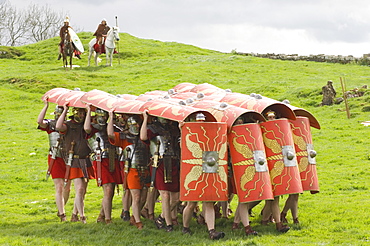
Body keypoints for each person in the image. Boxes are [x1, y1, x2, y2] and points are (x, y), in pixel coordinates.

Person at [180, 113, 226, 240]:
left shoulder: (210, 133)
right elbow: (184, 149)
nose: (201, 122)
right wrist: (182, 131)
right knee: (191, 203)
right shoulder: (189, 132)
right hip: (195, 169)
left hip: (209, 170)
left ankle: (212, 231)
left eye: (203, 120)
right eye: (199, 120)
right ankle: (185, 227)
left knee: (209, 202)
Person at [108, 112, 150, 230]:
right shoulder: (124, 136)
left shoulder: (145, 137)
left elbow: (144, 137)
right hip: (132, 170)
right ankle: (138, 221)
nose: (136, 127)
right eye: (134, 124)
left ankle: (134, 216)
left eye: (138, 125)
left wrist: (145, 118)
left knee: (143, 197)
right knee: (136, 196)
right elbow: (110, 134)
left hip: (145, 169)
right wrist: (111, 117)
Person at [140, 110, 181, 232]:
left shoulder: (173, 128)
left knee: (177, 197)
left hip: (173, 162)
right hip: (160, 163)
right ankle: (168, 224)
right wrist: (145, 119)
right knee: (165, 194)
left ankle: (161, 217)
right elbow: (143, 137)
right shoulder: (152, 128)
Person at [56, 104, 95, 223]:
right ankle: (82, 216)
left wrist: (88, 111)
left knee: (83, 190)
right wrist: (65, 110)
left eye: (83, 113)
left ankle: (74, 214)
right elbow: (58, 126)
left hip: (86, 160)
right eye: (79, 113)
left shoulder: (87, 124)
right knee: (79, 189)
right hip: (75, 160)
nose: (81, 115)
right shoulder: (68, 125)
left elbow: (88, 129)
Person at [84, 106, 122, 224]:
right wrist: (89, 110)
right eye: (101, 115)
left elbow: (113, 135)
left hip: (113, 158)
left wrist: (112, 117)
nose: (103, 118)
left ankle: (101, 215)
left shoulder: (113, 127)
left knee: (111, 189)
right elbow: (86, 128)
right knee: (108, 189)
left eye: (105, 116)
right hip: (101, 159)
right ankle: (107, 219)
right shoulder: (93, 128)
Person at [37, 98, 71, 222]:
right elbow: (40, 121)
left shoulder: (69, 125)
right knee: (59, 186)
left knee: (67, 188)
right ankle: (62, 214)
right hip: (55, 157)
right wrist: (46, 106)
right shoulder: (50, 125)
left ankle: (60, 208)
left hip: (68, 158)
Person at [260, 110, 290, 232]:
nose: (271, 119)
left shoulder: (278, 132)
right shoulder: (260, 131)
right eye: (269, 117)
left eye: (273, 117)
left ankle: (265, 220)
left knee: (273, 197)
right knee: (272, 197)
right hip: (266, 166)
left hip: (277, 166)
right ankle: (278, 224)